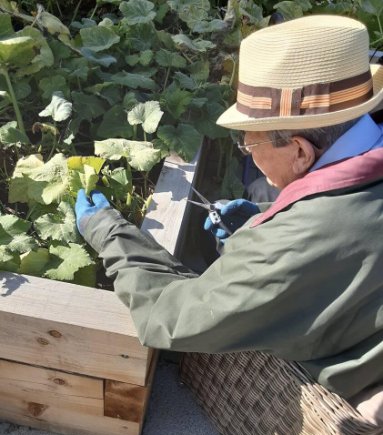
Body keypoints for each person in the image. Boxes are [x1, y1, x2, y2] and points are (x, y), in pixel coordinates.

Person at [75, 15, 383, 414]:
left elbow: (172, 319)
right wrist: (264, 216)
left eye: (248, 143)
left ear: (300, 151)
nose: (246, 150)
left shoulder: (294, 245)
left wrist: (109, 231)